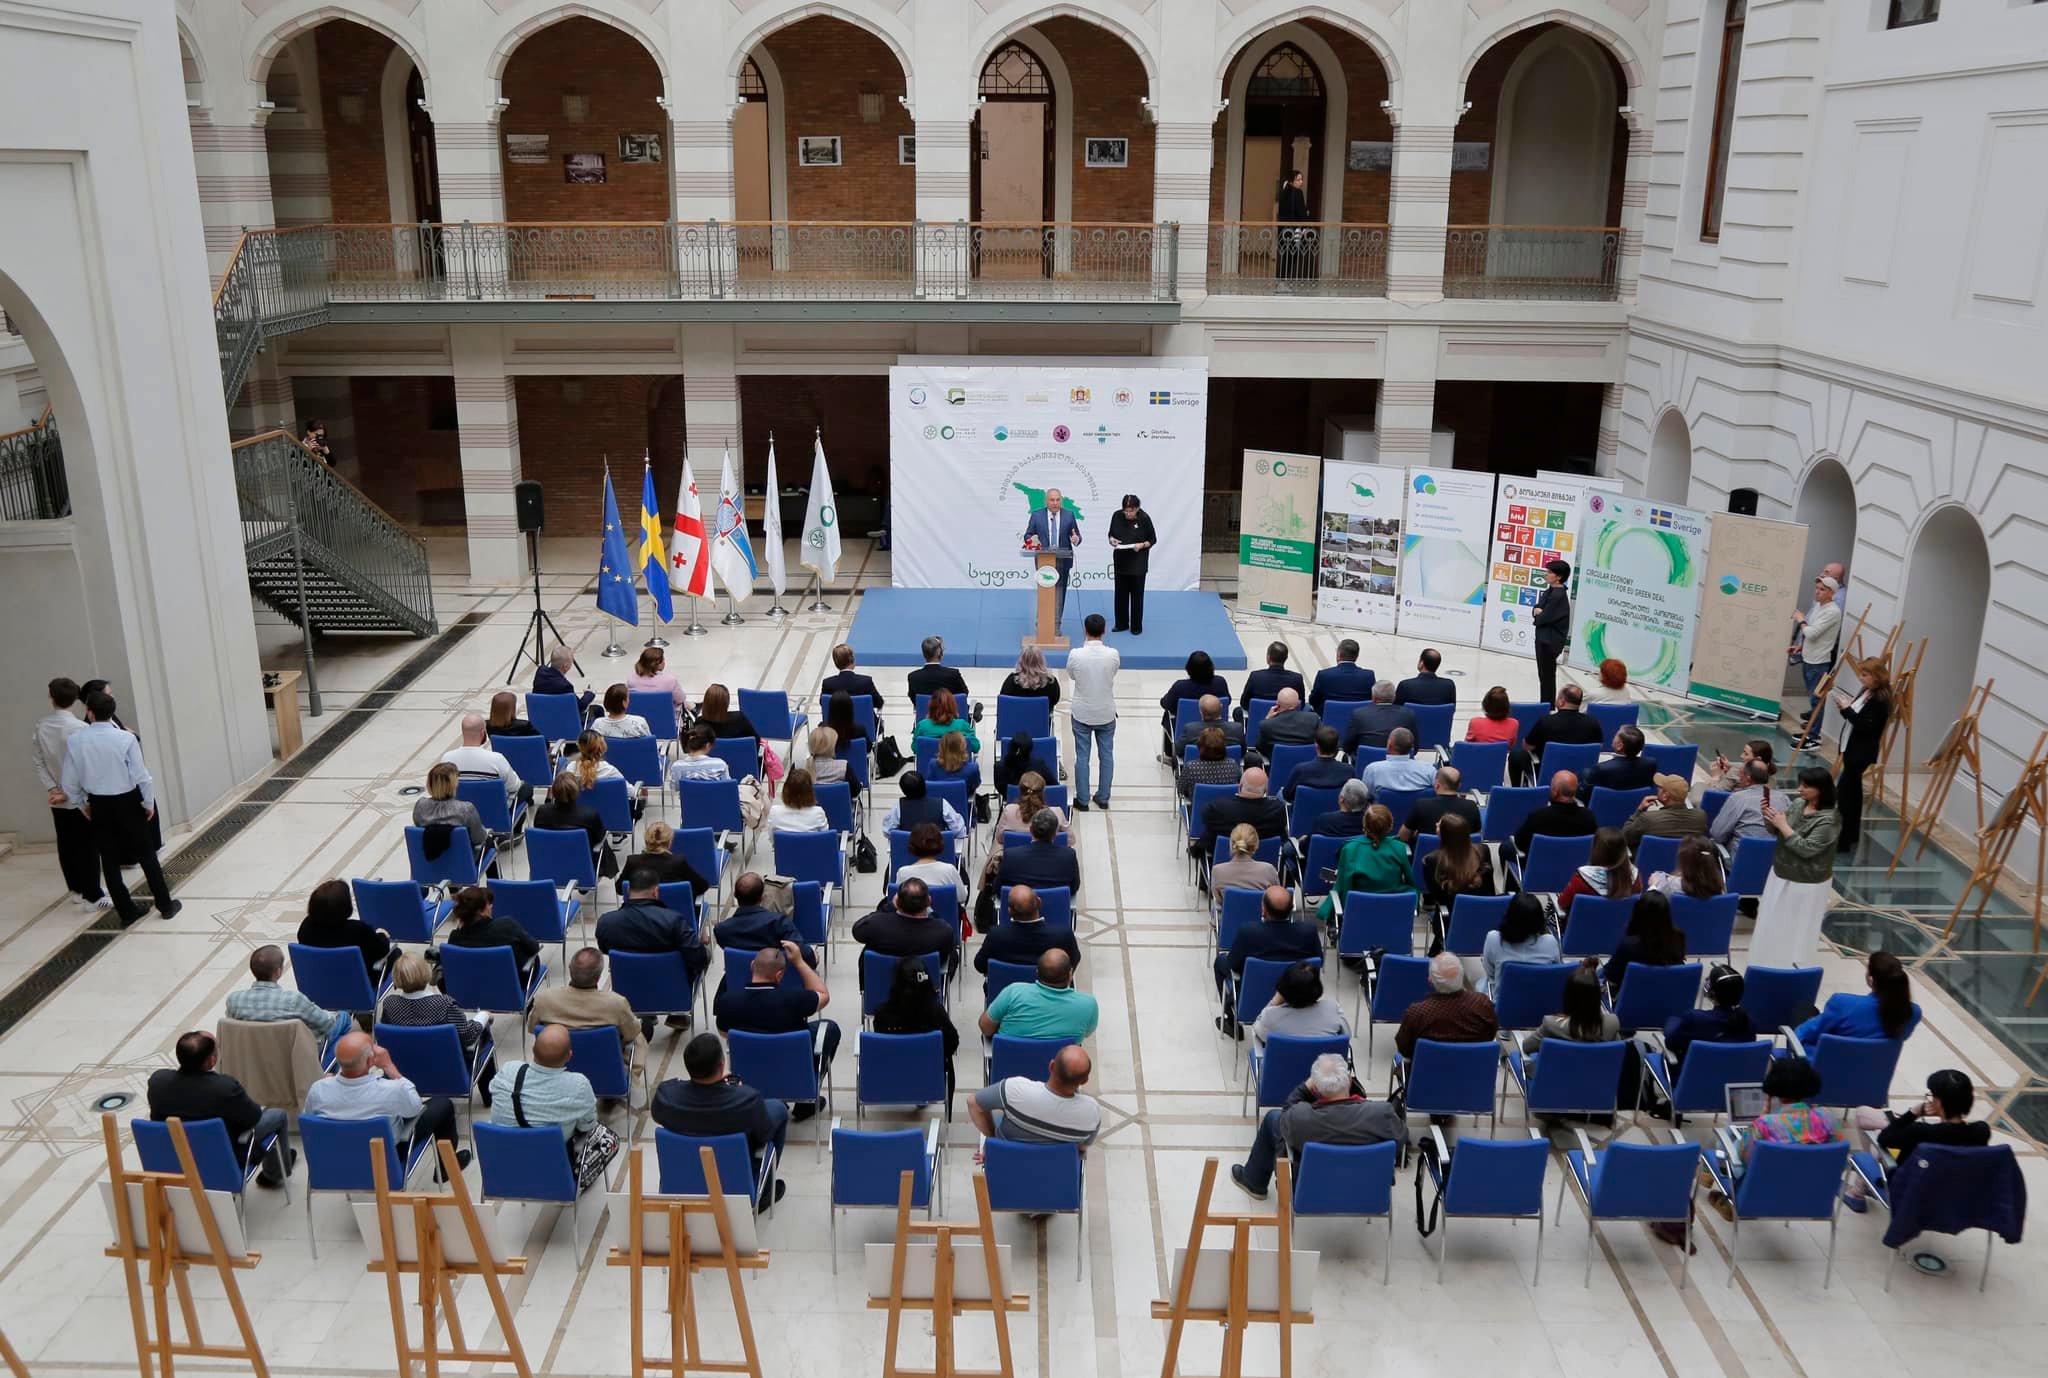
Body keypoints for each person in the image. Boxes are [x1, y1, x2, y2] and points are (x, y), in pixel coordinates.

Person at [61, 688, 180, 923]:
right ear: (111, 713)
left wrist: (81, 804)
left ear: (90, 713)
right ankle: (165, 905)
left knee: (109, 859)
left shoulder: (75, 741)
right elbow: (142, 776)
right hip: (128, 801)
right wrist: (148, 803)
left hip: (98, 803)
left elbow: (69, 781)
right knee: (146, 854)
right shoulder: (125, 738)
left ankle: (127, 912)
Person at [1230, 1052, 1403, 1200]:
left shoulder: (1301, 1119)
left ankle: (1254, 1182)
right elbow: (1401, 1139)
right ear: (1349, 1082)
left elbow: (1285, 1116)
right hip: (1368, 1191)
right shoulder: (1382, 1114)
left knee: (1272, 1118)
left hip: (1311, 1192)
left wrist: (1304, 1088)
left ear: (1316, 1090)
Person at [651, 1035, 788, 1212]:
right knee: (779, 1110)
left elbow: (658, 1113)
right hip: (734, 1181)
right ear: (722, 1064)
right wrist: (735, 1091)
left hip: (681, 1178)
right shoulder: (747, 1101)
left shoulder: (665, 1097)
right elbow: (763, 1135)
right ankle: (764, 1192)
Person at [304, 1032, 466, 1175]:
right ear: (370, 1061)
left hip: (337, 1162)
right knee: (443, 1104)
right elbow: (415, 1107)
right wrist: (389, 1066)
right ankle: (447, 1167)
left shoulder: (318, 1089)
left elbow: (311, 1117)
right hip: (385, 1159)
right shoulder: (391, 1090)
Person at [148, 1031, 293, 1188]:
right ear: (212, 1061)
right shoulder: (225, 1088)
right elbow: (253, 1118)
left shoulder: (157, 1082)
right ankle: (274, 1174)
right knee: (277, 1115)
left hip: (174, 1156)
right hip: (220, 1154)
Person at [1704, 1056, 1841, 1220]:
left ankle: (1723, 1194)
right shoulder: (1827, 1117)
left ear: (1775, 1088)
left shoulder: (1765, 1124)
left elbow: (1744, 1158)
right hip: (1811, 1194)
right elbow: (1839, 1160)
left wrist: (1760, 1119)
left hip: (1766, 1191)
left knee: (1727, 1140)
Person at [713, 942, 838, 1118]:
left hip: (750, 1074)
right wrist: (799, 962)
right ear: (779, 975)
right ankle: (806, 1100)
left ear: (752, 966)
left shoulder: (728, 1002)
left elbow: (724, 1033)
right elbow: (823, 995)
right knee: (829, 1028)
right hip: (791, 1069)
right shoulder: (794, 999)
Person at [1747, 766, 1842, 969]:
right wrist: (1770, 818)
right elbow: (1778, 831)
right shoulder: (1799, 804)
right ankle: (1765, 962)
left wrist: (1783, 825)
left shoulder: (1830, 820)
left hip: (1807, 882)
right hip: (1780, 873)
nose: (1800, 789)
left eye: (1806, 786)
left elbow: (1806, 849)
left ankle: (1791, 967)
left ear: (1821, 789)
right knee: (1771, 920)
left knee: (1796, 928)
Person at [380, 952, 499, 1102]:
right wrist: (484, 1015)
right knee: (483, 1032)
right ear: (425, 972)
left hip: (406, 1071)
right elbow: (468, 1035)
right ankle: (489, 1098)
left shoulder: (390, 1005)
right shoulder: (445, 1004)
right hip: (448, 1072)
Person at [596, 867, 710, 1023]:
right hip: (670, 991)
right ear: (656, 892)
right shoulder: (674, 921)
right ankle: (677, 1015)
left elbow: (604, 948)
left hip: (628, 989)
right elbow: (698, 958)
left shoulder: (606, 923)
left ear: (628, 891)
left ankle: (645, 1013)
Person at [34, 677, 104, 908]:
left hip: (56, 797)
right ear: (75, 700)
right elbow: (85, 767)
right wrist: (68, 792)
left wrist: (53, 788)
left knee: (66, 843)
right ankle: (93, 896)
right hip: (80, 798)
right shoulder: (81, 729)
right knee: (88, 845)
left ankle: (76, 889)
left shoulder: (41, 726)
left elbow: (39, 761)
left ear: (51, 697)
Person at [1214, 886, 1321, 1036]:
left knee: (1220, 962)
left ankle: (1232, 1022)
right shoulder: (1308, 931)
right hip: (1298, 996)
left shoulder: (1249, 932)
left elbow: (1234, 966)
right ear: (1291, 910)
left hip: (1252, 999)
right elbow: (1318, 962)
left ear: (1263, 910)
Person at [489, 1024, 603, 1164]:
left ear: (533, 1049)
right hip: (553, 1163)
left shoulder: (508, 1070)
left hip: (504, 1159)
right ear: (569, 1056)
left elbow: (492, 1092)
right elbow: (587, 1126)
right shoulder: (579, 1085)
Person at [225, 945, 350, 1059]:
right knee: (343, 1016)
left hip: (255, 1057)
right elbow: (327, 1024)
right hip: (295, 1058)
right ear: (278, 972)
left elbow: (231, 1030)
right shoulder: (294, 1001)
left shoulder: (234, 1000)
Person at [969, 1045, 1101, 1148]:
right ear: (1084, 1081)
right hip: (1054, 1174)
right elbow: (1082, 1148)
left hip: (1006, 1166)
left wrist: (994, 1140)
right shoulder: (1092, 1113)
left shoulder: (1014, 1090)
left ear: (1051, 1066)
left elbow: (973, 1103)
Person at [1792, 949, 1921, 1046]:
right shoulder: (1912, 1013)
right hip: (1872, 1072)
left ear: (1871, 979)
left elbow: (1805, 1034)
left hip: (1821, 1068)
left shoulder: (1842, 1004)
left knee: (1803, 1012)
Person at [872, 956, 960, 1096]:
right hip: (930, 1081)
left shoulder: (881, 1014)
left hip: (889, 1082)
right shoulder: (936, 1013)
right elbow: (953, 1042)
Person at [1316, 805, 1412, 927]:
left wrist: (1340, 878)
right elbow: (1410, 882)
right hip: (1392, 918)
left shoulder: (1350, 849)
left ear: (1364, 826)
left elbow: (1344, 887)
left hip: (1357, 917)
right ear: (1390, 826)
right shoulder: (1399, 848)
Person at [1832, 656, 1891, 852]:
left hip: (1860, 752)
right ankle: (1851, 834)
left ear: (1876, 676)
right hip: (1852, 747)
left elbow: (1865, 725)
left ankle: (1844, 839)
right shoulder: (1867, 692)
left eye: (1865, 675)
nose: (1861, 678)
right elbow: (1855, 717)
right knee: (1853, 794)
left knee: (1845, 796)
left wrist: (1847, 710)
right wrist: (1845, 710)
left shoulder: (1880, 700)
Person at [851, 878, 961, 979]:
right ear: (929, 901)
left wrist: (889, 906)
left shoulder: (876, 925)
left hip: (879, 989)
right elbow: (947, 951)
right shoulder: (942, 932)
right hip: (925, 989)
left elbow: (857, 930)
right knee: (952, 954)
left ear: (897, 902)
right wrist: (932, 914)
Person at [1394, 952, 1499, 1059]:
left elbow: (1404, 1049)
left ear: (1430, 980)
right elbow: (1491, 1034)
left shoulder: (1417, 1013)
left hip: (1429, 1068)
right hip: (1474, 1067)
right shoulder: (1482, 1004)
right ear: (1462, 975)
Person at [978, 949, 1098, 1042]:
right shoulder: (1088, 1005)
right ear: (1070, 974)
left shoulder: (1013, 992)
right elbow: (1087, 1033)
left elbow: (985, 1028)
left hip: (1009, 1066)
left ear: (1036, 972)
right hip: (1062, 1067)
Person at [1067, 613, 1120, 809]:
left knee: (1082, 756)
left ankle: (1082, 799)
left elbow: (1071, 675)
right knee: (1106, 755)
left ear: (1085, 631)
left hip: (1082, 713)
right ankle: (1103, 797)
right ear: (1104, 631)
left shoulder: (1076, 654)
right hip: (1105, 712)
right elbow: (1113, 672)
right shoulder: (1113, 654)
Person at [1659, 964, 1753, 1072]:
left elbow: (1670, 1043)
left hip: (1690, 1075)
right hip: (1731, 1077)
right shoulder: (1749, 1023)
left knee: (1671, 1022)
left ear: (1711, 992)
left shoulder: (1694, 1019)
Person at [296, 878, 394, 980]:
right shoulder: (358, 930)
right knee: (395, 953)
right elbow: (381, 951)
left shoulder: (306, 927)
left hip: (320, 980)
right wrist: (383, 936)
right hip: (359, 982)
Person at [714, 873, 817, 967]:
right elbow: (806, 956)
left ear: (735, 895)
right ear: (762, 897)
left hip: (738, 980)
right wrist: (814, 956)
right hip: (778, 979)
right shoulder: (779, 923)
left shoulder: (721, 930)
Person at [975, 885, 1081, 975]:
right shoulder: (1063, 935)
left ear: (1009, 911)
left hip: (1005, 992)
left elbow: (980, 965)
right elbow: (1073, 962)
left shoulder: (995, 936)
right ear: (1039, 902)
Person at [1790, 574, 1844, 748]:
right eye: (1817, 588)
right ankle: (1810, 732)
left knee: (1817, 701)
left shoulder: (1832, 611)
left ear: (1832, 593)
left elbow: (1812, 633)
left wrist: (1801, 620)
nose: (1817, 592)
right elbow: (1813, 634)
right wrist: (1800, 647)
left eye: (1822, 589)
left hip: (1819, 663)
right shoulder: (1819, 606)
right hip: (1810, 659)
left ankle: (1814, 737)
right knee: (1813, 700)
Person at [443, 884, 542, 978]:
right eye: (488, 904)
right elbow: (534, 947)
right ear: (480, 912)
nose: (491, 906)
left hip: (472, 985)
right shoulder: (507, 925)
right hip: (512, 984)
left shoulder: (455, 939)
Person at [1521, 958, 1620, 1051]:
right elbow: (1618, 1053)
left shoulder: (1551, 1024)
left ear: (1568, 997)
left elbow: (1527, 1047)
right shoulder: (1612, 1023)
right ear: (1597, 997)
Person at [1601, 889, 1684, 999]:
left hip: (1630, 1002)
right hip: (1666, 999)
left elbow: (1611, 978)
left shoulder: (1629, 945)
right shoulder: (1678, 938)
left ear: (1638, 913)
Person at [1247, 961, 1349, 1048]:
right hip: (1323, 1065)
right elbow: (1346, 1037)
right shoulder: (1333, 1009)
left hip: (1283, 1065)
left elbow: (1258, 1030)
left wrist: (1275, 1001)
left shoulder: (1270, 1017)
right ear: (1317, 987)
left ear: (1284, 988)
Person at [1196, 767, 1286, 866]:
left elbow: (1204, 819)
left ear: (1240, 786)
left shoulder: (1217, 809)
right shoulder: (1277, 810)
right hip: (1265, 869)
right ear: (1266, 790)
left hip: (1222, 867)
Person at [1019, 487, 1083, 626]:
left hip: (1063, 561)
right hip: (1044, 561)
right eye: (1052, 500)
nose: (1055, 503)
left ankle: (1056, 625)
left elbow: (1076, 535)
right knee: (1045, 591)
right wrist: (1031, 539)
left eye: (1058, 500)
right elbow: (1028, 535)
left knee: (1059, 594)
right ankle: (1042, 624)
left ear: (1061, 501)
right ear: (1046, 501)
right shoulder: (1036, 515)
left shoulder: (1069, 515)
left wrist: (1076, 539)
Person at [1509, 771, 1598, 865]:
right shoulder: (1589, 817)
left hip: (1540, 866)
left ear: (1555, 792)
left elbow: (1519, 844)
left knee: (1506, 847)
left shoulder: (1538, 817)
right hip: (1574, 867)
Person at [1481, 892, 1561, 993]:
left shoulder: (1493, 938)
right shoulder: (1550, 943)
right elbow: (1555, 973)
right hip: (1541, 1000)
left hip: (1505, 1001)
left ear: (1509, 916)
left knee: (1481, 983)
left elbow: (1490, 973)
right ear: (1539, 919)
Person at [1520, 685, 1602, 782]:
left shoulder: (1546, 721)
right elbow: (1599, 747)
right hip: (1581, 777)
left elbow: (1527, 746)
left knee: (1517, 756)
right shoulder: (1593, 722)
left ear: (1561, 701)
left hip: (1549, 776)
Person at [987, 773, 1069, 871]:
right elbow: (1070, 840)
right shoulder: (1056, 813)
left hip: (1015, 869)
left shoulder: (1009, 810)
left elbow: (999, 838)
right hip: (1050, 868)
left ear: (1020, 791)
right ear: (1043, 792)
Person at [995, 807, 1082, 898]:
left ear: (1031, 830)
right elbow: (1074, 888)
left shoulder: (1010, 856)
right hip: (1057, 906)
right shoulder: (1069, 856)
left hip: (1019, 906)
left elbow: (998, 889)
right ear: (1055, 833)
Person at [440, 712, 523, 804]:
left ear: (463, 732)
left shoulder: (447, 759)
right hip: (493, 810)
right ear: (483, 733)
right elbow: (514, 786)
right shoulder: (496, 759)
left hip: (458, 810)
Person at [1159, 651, 1232, 755]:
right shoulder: (1220, 682)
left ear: (1189, 668)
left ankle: (1170, 753)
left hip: (1186, 729)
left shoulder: (1180, 686)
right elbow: (1228, 701)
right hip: (1217, 728)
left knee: (1168, 714)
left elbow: (1165, 704)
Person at [1709, 758, 1791, 850]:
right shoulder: (1783, 798)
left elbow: (1717, 834)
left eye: (1740, 774)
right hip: (1775, 857)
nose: (1739, 777)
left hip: (1738, 856)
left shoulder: (1737, 798)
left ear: (1748, 779)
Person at [1421, 811, 1494, 910]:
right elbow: (1490, 888)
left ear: (1443, 835)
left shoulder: (1431, 860)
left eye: (1439, 825)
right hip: (1485, 910)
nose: (1436, 824)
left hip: (1452, 914)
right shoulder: (1483, 850)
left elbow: (1437, 897)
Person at [412, 761, 488, 856]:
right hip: (463, 860)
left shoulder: (420, 806)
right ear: (453, 784)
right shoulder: (466, 809)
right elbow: (479, 839)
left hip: (429, 861)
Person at [1560, 827, 1639, 915]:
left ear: (1596, 850)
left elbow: (1563, 903)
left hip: (1585, 923)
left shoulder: (1581, 878)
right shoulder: (1635, 877)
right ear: (1624, 851)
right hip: (1619, 923)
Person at [622, 821, 713, 898]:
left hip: (639, 913)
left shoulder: (632, 861)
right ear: (669, 843)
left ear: (646, 841)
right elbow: (702, 886)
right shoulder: (678, 862)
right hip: (675, 912)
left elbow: (620, 888)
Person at [1106, 493, 1155, 633]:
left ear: (1137, 508)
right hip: (1121, 560)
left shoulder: (1144, 518)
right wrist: (1111, 540)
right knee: (1120, 594)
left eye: (1131, 511)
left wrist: (1142, 545)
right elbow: (1111, 534)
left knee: (1136, 596)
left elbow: (1152, 539)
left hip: (1138, 562)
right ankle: (1121, 623)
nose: (1128, 514)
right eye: (1125, 511)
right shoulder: (1117, 516)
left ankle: (1136, 626)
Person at [1624, 774, 1709, 849]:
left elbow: (1625, 837)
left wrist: (1639, 810)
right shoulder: (1701, 817)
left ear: (1665, 796)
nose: (1658, 788)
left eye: (1661, 787)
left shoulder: (1648, 818)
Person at [1401, 765, 1481, 845]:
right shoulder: (1471, 806)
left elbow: (1402, 837)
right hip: (1461, 852)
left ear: (1437, 785)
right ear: (1459, 786)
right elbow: (1476, 839)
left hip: (1427, 852)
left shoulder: (1421, 805)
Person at [534, 772, 605, 858]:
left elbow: (539, 838)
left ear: (553, 791)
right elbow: (600, 838)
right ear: (576, 792)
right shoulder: (590, 815)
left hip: (550, 860)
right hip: (582, 862)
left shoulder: (542, 812)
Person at [1533, 558, 1573, 705]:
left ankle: (1547, 705)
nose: (1546, 574)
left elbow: (1543, 617)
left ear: (1559, 576)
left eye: (1550, 572)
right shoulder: (1550, 591)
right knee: (1544, 675)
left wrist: (1539, 613)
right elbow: (1537, 607)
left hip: (1549, 642)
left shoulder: (1558, 596)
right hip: (1543, 639)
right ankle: (1545, 704)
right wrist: (1537, 612)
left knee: (1547, 676)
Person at [883, 771, 967, 841]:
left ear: (903, 791)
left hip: (908, 853)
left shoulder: (898, 806)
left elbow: (888, 832)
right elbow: (958, 830)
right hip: (938, 853)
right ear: (925, 786)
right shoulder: (942, 804)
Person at [1579, 725, 1657, 799]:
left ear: (1620, 746)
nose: (1613, 737)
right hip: (1637, 805)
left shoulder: (1601, 769)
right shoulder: (1651, 764)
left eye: (1615, 735)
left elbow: (1587, 796)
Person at [1343, 681, 1418, 756]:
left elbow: (1347, 747)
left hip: (1367, 760)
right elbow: (1414, 748)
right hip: (1398, 760)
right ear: (1394, 697)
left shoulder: (1359, 714)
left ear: (1374, 698)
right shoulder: (1408, 714)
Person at [1281, 725, 1350, 803]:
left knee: (1280, 794)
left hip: (1305, 810)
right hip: (1336, 808)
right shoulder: (1348, 771)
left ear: (1316, 745)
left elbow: (1287, 796)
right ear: (1337, 745)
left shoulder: (1301, 770)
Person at [1307, 640, 1376, 717]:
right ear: (1357, 656)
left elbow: (1313, 700)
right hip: (1360, 720)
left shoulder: (1324, 675)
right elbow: (1372, 701)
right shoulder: (1368, 676)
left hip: (1330, 720)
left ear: (1338, 655)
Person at [1361, 727, 1434, 800]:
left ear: (1389, 746)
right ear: (1411, 747)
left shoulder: (1372, 770)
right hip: (1420, 807)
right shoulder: (1429, 770)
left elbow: (1366, 797)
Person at [898, 820, 965, 899]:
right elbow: (962, 897)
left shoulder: (903, 873)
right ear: (940, 843)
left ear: (912, 845)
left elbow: (897, 900)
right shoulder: (949, 870)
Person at [1649, 833, 1726, 901]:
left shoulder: (1667, 887)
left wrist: (1653, 887)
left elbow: (1649, 908)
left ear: (1683, 860)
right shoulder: (1720, 890)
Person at [1211, 823, 1281, 895]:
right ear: (1256, 845)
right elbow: (1277, 897)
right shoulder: (1268, 871)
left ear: (1231, 845)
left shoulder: (1217, 872)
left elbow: (1219, 900)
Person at [1178, 726, 1244, 801]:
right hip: (1227, 808)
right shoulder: (1232, 765)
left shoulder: (1191, 767)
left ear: (1200, 746)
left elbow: (1180, 790)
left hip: (1199, 808)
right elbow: (1240, 786)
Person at [913, 687, 980, 758]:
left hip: (928, 764)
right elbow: (976, 747)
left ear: (931, 707)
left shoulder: (922, 726)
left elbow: (915, 748)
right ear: (953, 706)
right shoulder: (961, 725)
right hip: (957, 764)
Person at [1171, 694, 1245, 758]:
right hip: (1230, 769)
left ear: (1201, 712)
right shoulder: (1237, 729)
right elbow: (1242, 752)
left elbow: (1178, 751)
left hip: (1197, 768)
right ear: (1221, 707)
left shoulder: (1190, 729)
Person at [1253, 688, 1319, 758]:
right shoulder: (1313, 719)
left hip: (1278, 764)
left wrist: (1267, 719)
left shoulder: (1266, 725)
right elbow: (1323, 742)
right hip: (1308, 763)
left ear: (1277, 704)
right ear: (1298, 704)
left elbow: (1259, 747)